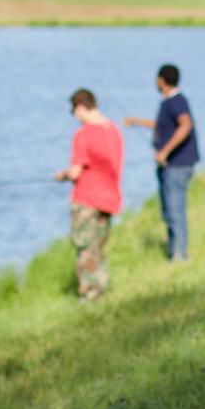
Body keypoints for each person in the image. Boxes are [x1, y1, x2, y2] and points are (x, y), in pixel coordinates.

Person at [123, 65, 200, 261]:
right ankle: (173, 251)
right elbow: (164, 126)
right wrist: (137, 121)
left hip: (177, 165)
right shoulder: (170, 102)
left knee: (175, 211)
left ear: (162, 80)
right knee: (169, 211)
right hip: (172, 166)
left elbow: (185, 125)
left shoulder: (176, 101)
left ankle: (179, 256)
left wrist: (165, 151)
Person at [55, 88, 123, 301]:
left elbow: (76, 172)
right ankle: (101, 290)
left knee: (85, 248)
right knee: (99, 248)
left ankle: (89, 294)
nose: (75, 116)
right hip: (109, 198)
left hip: (86, 199)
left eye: (73, 111)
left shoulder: (83, 135)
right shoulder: (113, 131)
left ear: (81, 107)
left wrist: (62, 175)